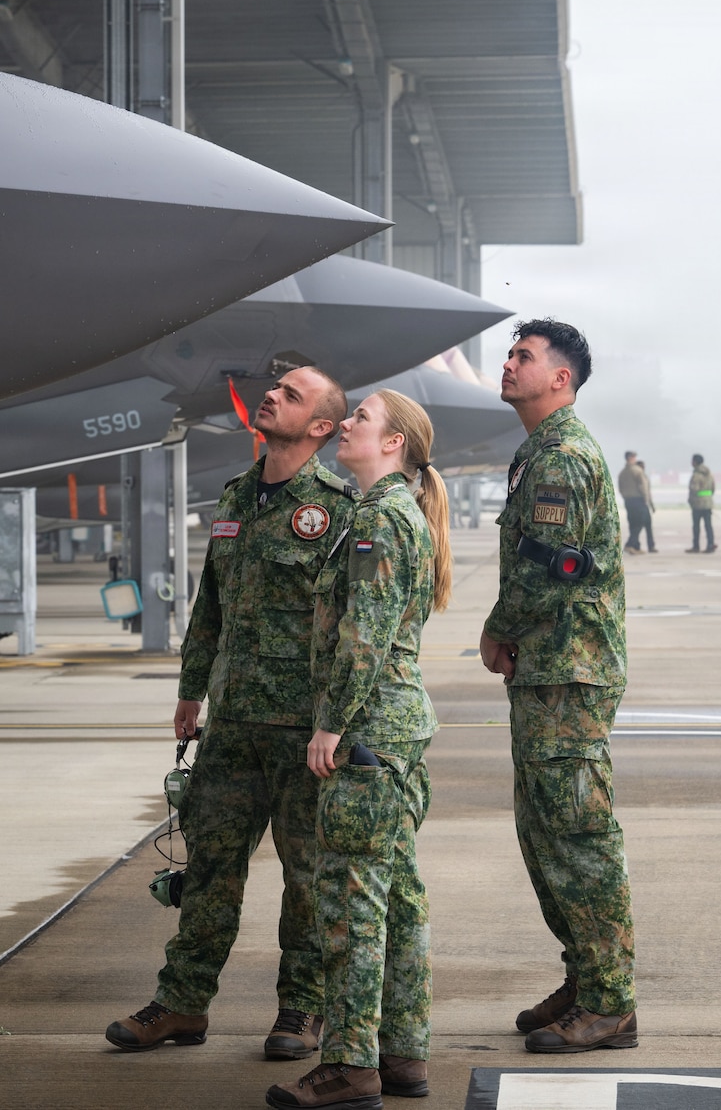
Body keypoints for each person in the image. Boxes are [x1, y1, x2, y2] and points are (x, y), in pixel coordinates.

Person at [108, 366, 358, 1061]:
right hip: (232, 725)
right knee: (211, 868)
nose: (271, 394)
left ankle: (301, 1008)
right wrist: (192, 690)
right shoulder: (237, 496)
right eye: (275, 387)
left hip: (303, 732)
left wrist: (335, 720)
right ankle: (182, 1002)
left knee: (306, 879)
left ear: (319, 428)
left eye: (292, 394)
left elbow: (353, 625)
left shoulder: (337, 507)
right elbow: (210, 605)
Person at [268, 389, 451, 1109]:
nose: (346, 424)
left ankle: (350, 1063)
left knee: (353, 904)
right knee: (400, 897)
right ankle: (402, 1053)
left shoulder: (378, 518)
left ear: (394, 442)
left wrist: (331, 724)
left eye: (361, 419)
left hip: (369, 732)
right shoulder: (391, 512)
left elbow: (364, 636)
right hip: (396, 731)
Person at [478, 318, 638, 1054]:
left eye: (524, 356)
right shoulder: (536, 451)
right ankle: (585, 975)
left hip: (568, 674)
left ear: (561, 379)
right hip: (548, 673)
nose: (508, 364)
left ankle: (611, 1002)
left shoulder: (562, 458)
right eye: (509, 353)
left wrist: (497, 627)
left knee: (578, 836)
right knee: (544, 835)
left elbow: (551, 568)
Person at [617, 452, 655, 554]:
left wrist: (626, 497)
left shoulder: (622, 472)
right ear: (630, 458)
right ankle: (630, 544)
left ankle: (635, 547)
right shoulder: (637, 471)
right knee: (640, 523)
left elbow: (620, 488)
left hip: (628, 501)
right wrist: (646, 500)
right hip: (639, 500)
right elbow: (643, 487)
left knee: (633, 523)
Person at [687, 453, 716, 553]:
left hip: (698, 504)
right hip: (708, 503)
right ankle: (710, 544)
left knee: (696, 526)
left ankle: (696, 546)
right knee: (708, 526)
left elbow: (693, 489)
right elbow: (713, 488)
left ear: (695, 462)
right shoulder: (709, 474)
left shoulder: (696, 475)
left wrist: (690, 500)